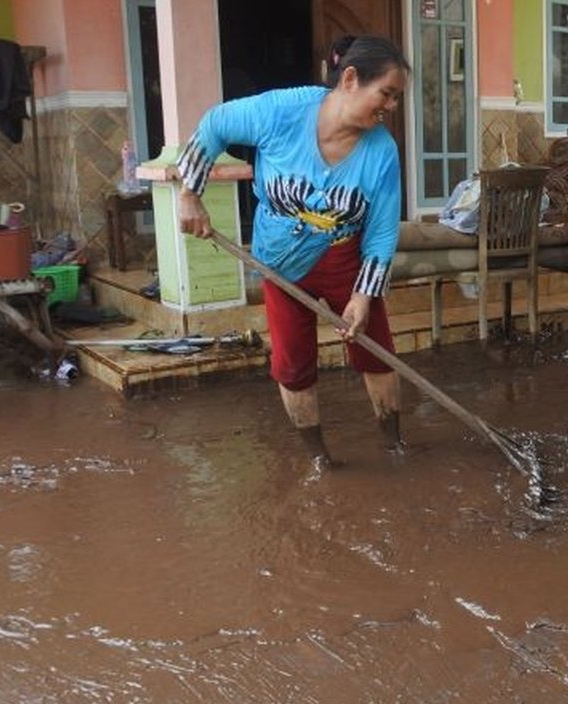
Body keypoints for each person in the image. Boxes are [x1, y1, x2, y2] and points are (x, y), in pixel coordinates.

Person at [176, 35, 411, 472]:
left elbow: (381, 232)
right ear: (350, 79)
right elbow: (215, 124)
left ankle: (394, 445)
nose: (392, 106)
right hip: (280, 262)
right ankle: (320, 460)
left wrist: (362, 297)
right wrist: (190, 194)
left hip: (345, 259)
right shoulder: (282, 112)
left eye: (397, 98)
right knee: (292, 363)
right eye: (387, 94)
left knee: (376, 351)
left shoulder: (382, 151)